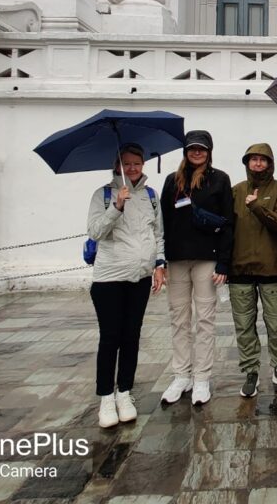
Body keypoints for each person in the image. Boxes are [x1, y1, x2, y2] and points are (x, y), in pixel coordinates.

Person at [86, 143, 166, 428]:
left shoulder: (150, 196)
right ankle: (106, 397)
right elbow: (95, 232)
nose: (132, 168)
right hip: (109, 278)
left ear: (143, 165)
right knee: (110, 338)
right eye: (126, 163)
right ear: (117, 166)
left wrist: (159, 265)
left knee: (132, 336)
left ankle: (124, 392)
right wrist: (116, 207)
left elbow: (157, 234)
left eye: (136, 163)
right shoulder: (104, 195)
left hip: (140, 278)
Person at [159, 130, 234, 406]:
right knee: (178, 319)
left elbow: (228, 223)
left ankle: (202, 378)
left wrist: (224, 262)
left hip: (206, 258)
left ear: (209, 151)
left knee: (204, 320)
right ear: (186, 151)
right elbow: (163, 221)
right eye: (192, 148)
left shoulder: (220, 179)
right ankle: (182, 375)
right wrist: (160, 260)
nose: (196, 153)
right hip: (177, 260)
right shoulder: (172, 181)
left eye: (201, 148)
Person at [229, 143, 277, 397]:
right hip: (240, 269)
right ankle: (250, 371)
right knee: (245, 324)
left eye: (262, 160)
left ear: (270, 163)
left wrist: (256, 206)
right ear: (246, 163)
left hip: (271, 268)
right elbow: (227, 228)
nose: (258, 164)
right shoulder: (236, 191)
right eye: (253, 159)